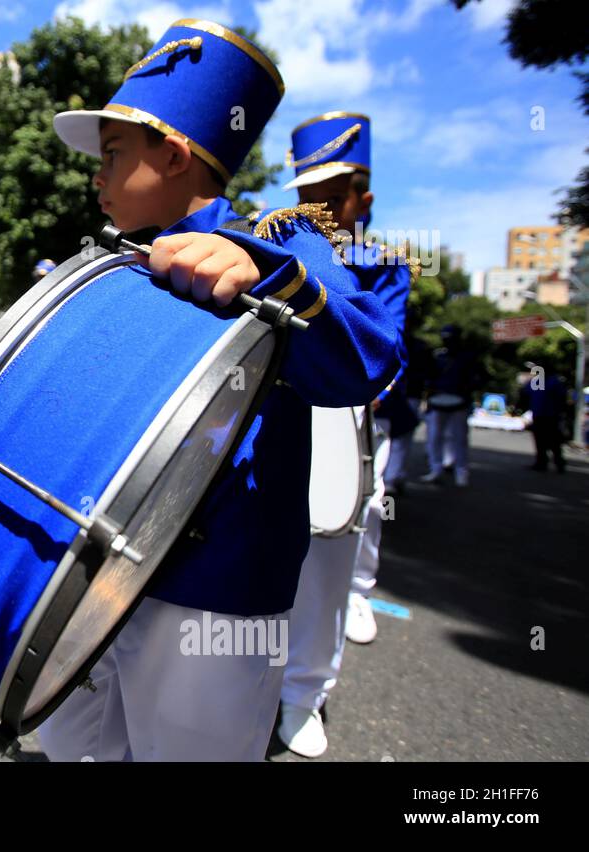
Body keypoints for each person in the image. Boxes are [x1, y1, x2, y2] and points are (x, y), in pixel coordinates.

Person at [38, 20, 401, 761]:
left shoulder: (279, 242)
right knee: (72, 742)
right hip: (90, 562)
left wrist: (254, 268)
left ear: (172, 156)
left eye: (112, 156)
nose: (96, 178)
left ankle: (305, 696)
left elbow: (367, 353)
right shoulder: (107, 263)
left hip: (214, 584)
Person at [274, 111, 415, 756]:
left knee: (335, 553)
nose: (319, 213)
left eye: (333, 199)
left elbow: (383, 351)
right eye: (308, 199)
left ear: (365, 199)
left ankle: (303, 695)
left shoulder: (381, 263)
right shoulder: (278, 241)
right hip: (280, 415)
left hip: (348, 422)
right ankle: (255, 676)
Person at [421, 325, 482, 487]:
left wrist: (465, 393)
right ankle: (436, 469)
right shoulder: (438, 356)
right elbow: (429, 377)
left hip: (459, 403)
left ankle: (461, 472)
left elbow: (475, 379)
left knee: (459, 439)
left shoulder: (467, 358)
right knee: (434, 438)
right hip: (437, 402)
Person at [519, 370, 569, 473]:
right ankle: (543, 462)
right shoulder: (543, 382)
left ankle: (557, 462)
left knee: (552, 440)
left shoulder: (553, 382)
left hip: (550, 414)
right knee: (542, 440)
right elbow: (525, 394)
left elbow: (562, 397)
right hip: (541, 414)